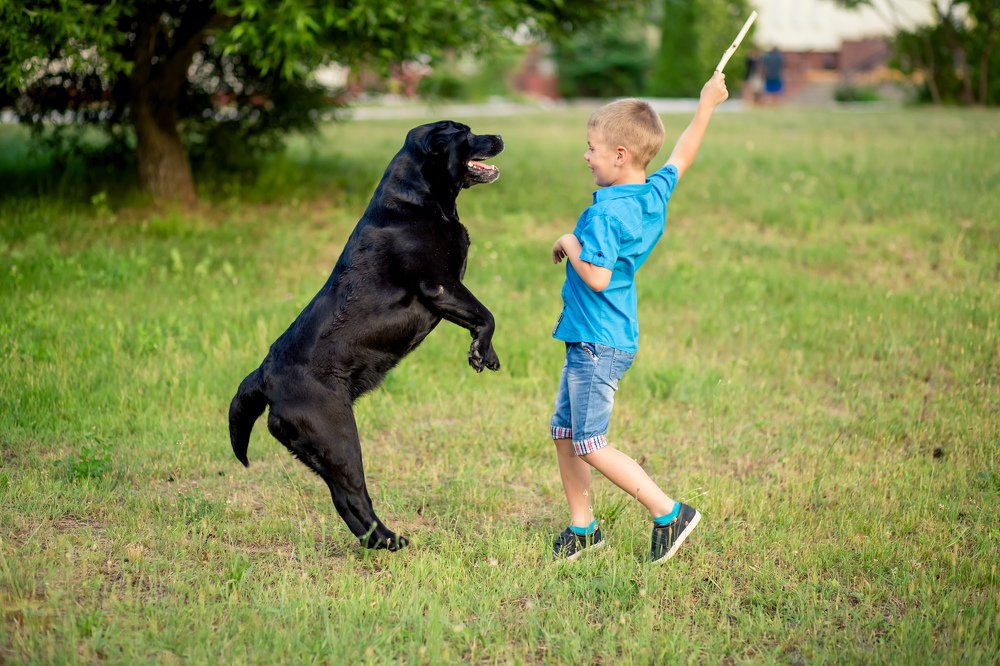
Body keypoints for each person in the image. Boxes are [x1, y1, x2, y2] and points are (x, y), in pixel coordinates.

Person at [548, 71, 729, 563]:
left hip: (596, 342)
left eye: (591, 148)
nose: (586, 156)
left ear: (619, 156)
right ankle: (582, 528)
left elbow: (599, 277)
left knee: (588, 441)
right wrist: (705, 103)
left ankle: (670, 513)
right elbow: (683, 154)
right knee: (565, 433)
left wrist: (569, 241)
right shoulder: (651, 193)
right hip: (599, 336)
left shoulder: (607, 213)